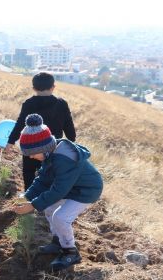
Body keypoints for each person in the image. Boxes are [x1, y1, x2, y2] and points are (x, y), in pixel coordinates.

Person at [12, 114, 103, 271]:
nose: (32, 157)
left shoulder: (64, 159)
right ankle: (58, 242)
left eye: (33, 153)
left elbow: (59, 190)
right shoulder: (51, 154)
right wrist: (26, 196)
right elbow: (43, 181)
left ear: (43, 148)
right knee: (49, 208)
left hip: (86, 191)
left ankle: (70, 251)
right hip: (72, 187)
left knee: (61, 217)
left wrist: (32, 205)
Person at [5, 72, 76, 191]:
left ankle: (29, 197)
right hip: (53, 146)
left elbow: (20, 123)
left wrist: (10, 142)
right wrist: (72, 140)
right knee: (50, 173)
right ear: (53, 87)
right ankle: (47, 199)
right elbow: (68, 124)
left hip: (31, 146)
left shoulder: (29, 103)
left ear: (34, 88)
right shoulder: (61, 103)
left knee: (29, 172)